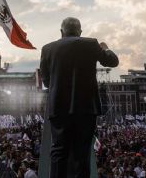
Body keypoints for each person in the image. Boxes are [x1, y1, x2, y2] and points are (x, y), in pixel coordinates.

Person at [40, 17, 119, 178]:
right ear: (80, 32)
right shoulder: (91, 44)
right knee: (82, 153)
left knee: (58, 151)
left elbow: (47, 82)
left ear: (61, 32)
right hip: (86, 109)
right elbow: (113, 62)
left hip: (59, 108)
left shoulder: (47, 49)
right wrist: (105, 48)